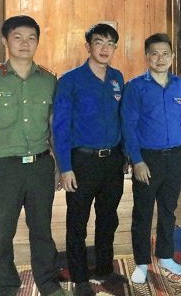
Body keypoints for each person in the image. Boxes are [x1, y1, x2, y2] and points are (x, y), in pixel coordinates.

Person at [0, 15, 71, 296]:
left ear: (37, 42)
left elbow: (54, 128)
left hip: (40, 166)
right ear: (5, 41)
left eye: (31, 38)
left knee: (42, 231)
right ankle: (4, 286)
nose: (25, 43)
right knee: (1, 234)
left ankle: (47, 282)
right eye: (18, 37)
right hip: (2, 169)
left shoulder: (49, 79)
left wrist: (61, 166)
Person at [52, 23, 126, 296]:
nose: (105, 49)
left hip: (112, 161)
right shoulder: (70, 80)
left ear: (115, 48)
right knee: (77, 221)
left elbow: (121, 119)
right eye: (99, 42)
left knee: (108, 218)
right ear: (88, 46)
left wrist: (125, 156)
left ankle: (104, 269)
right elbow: (60, 126)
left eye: (110, 44)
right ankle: (80, 276)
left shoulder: (117, 78)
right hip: (82, 161)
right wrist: (65, 167)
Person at [121, 33, 181, 283]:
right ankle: (141, 263)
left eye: (165, 53)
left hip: (175, 157)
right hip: (147, 159)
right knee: (142, 212)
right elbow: (129, 126)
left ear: (172, 57)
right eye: (154, 54)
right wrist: (136, 160)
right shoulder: (135, 87)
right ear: (147, 57)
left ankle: (165, 255)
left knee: (168, 210)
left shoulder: (180, 85)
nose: (160, 58)